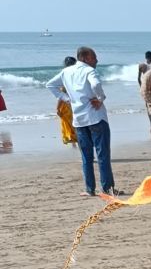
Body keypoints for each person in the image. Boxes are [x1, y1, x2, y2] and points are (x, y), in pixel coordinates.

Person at [45, 46, 121, 197]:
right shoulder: (89, 70)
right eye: (94, 57)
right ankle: (107, 188)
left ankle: (89, 189)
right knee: (102, 155)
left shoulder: (66, 71)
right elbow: (96, 84)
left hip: (79, 119)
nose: (97, 60)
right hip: (96, 117)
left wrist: (67, 99)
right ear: (85, 58)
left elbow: (50, 85)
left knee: (86, 156)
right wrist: (100, 98)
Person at [55, 55, 78, 145]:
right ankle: (78, 145)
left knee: (71, 126)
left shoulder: (65, 76)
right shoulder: (78, 75)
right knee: (78, 126)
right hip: (78, 103)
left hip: (67, 106)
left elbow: (62, 94)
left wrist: (57, 108)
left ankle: (75, 144)